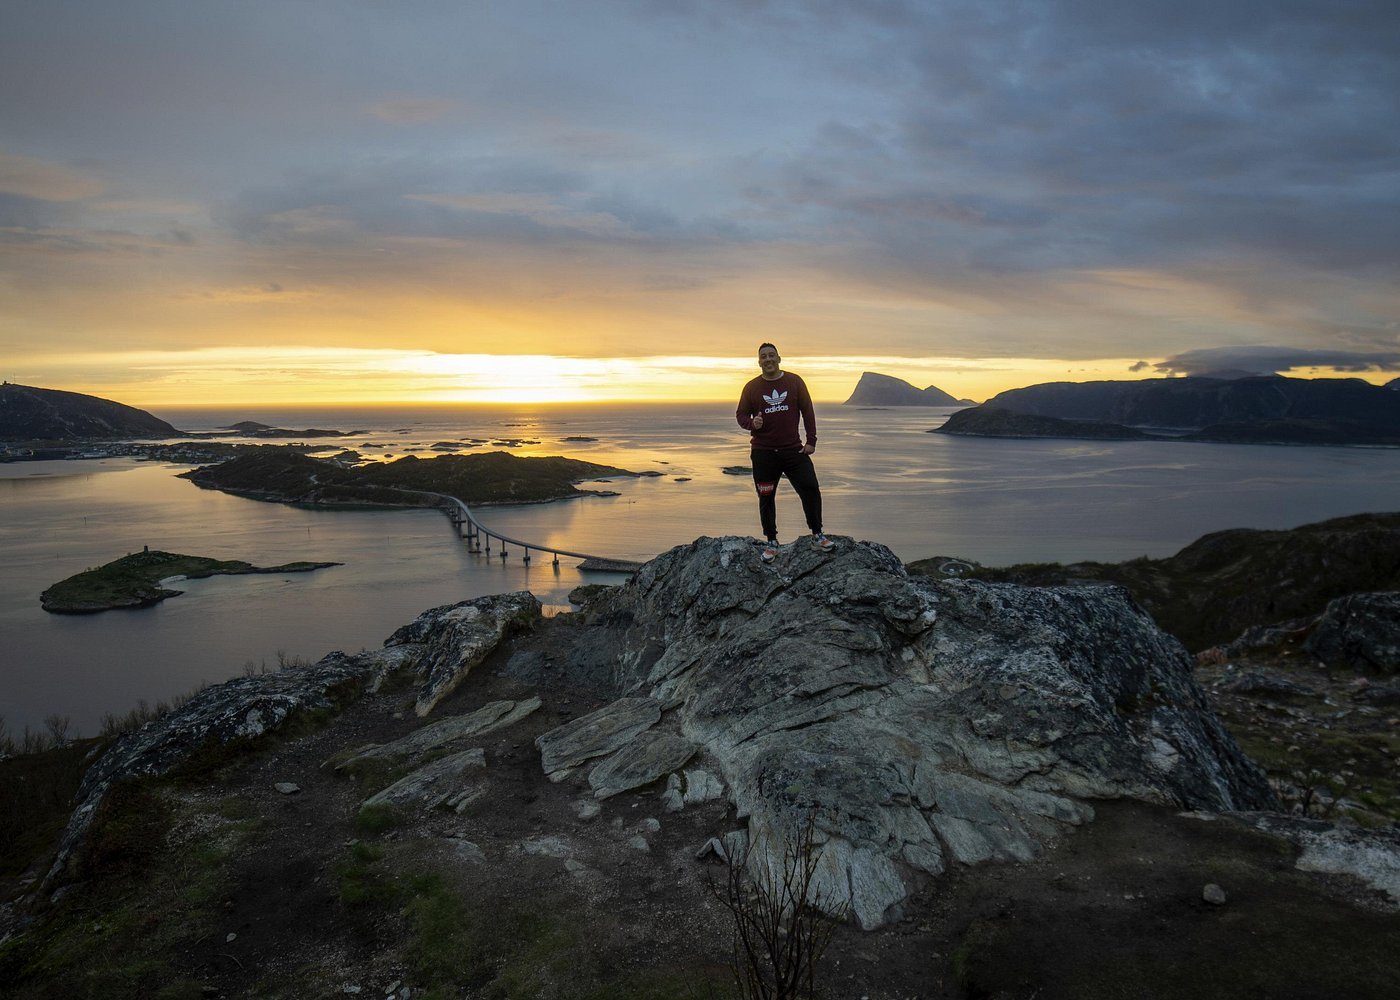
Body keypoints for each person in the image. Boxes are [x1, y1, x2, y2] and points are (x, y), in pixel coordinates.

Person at [736, 343, 834, 562]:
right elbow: (741, 415)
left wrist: (811, 441)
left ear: (779, 358)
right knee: (766, 496)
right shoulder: (751, 387)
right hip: (764, 454)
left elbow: (807, 410)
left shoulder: (795, 382)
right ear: (759, 361)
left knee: (810, 488)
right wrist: (753, 423)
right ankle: (771, 541)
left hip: (793, 450)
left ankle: (817, 535)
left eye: (772, 355)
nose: (768, 359)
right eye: (764, 357)